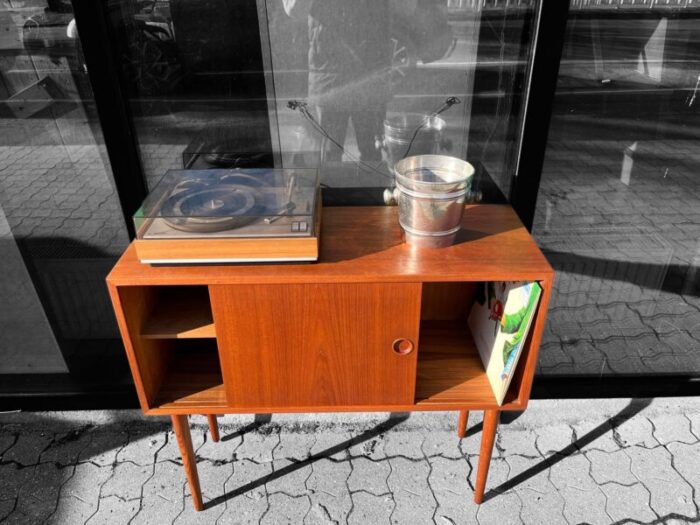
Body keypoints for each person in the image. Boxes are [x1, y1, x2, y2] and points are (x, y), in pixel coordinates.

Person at [283, 0, 395, 163]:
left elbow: (406, 7)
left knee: (372, 156)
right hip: (330, 77)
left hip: (369, 73)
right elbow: (294, 10)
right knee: (329, 158)